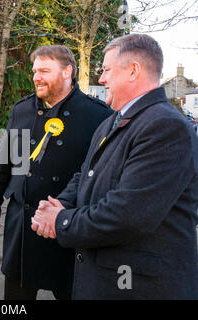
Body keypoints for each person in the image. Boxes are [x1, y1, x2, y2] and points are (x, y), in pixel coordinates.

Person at [31, 34, 198, 299]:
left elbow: (129, 215)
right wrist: (60, 204)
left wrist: (60, 220)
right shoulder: (112, 121)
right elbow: (85, 174)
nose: (101, 79)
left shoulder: (165, 127)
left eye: (107, 70)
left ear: (133, 70)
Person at [0, 45, 112, 300]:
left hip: (67, 230)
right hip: (23, 226)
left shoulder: (97, 115)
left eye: (44, 71)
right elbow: (4, 162)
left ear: (67, 72)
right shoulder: (21, 110)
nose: (36, 77)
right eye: (34, 71)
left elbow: (99, 175)